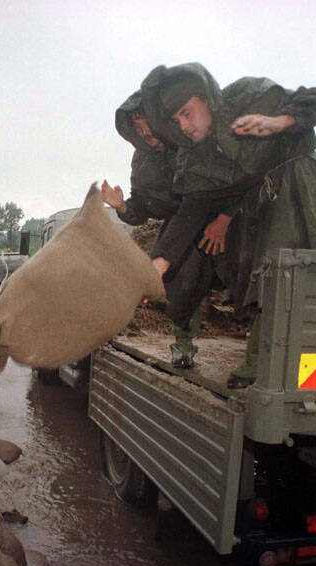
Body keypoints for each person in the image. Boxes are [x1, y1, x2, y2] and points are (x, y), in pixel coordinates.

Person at [140, 62, 316, 387]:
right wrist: (157, 264)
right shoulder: (197, 160)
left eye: (187, 112)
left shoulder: (246, 97)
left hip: (304, 185)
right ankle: (261, 360)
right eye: (176, 120)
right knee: (263, 276)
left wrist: (279, 121)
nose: (184, 125)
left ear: (206, 97)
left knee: (309, 273)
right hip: (258, 205)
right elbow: (191, 211)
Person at [102, 89, 212, 368]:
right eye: (137, 128)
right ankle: (184, 345)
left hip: (213, 218)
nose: (145, 132)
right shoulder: (143, 159)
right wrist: (123, 207)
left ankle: (256, 355)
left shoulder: (191, 145)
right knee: (179, 283)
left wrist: (223, 221)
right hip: (177, 226)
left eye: (147, 124)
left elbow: (217, 189)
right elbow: (143, 208)